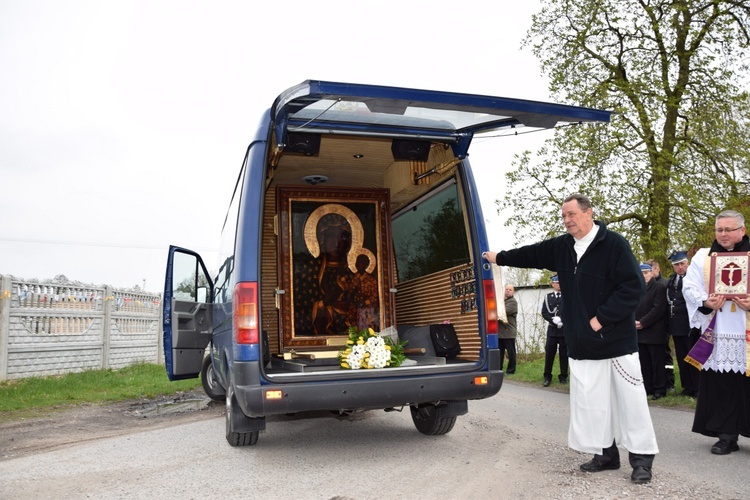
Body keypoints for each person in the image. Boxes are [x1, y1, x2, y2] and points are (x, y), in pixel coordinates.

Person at [482, 193, 658, 484]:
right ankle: (605, 454)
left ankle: (641, 460)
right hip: (582, 345)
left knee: (630, 401)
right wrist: (499, 256)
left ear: (589, 213)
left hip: (615, 342)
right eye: (563, 216)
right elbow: (532, 254)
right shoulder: (563, 247)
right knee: (593, 403)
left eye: (571, 215)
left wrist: (601, 318)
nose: (567, 221)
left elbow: (632, 287)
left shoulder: (613, 244)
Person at [682, 210, 750, 455]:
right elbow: (689, 287)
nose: (723, 234)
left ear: (741, 230)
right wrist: (705, 301)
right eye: (719, 230)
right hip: (718, 328)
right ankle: (726, 435)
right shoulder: (703, 257)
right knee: (723, 384)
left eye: (729, 230)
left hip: (746, 328)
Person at [666, 250, 699, 398]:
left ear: (688, 263)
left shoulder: (694, 279)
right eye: (676, 265)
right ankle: (687, 387)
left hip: (691, 325)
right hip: (677, 326)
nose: (680, 267)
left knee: (693, 357)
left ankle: (697, 388)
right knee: (682, 358)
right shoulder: (671, 280)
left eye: (682, 263)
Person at [635, 263, 668, 399]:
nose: (644, 276)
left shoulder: (659, 287)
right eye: (641, 273)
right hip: (639, 332)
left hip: (655, 332)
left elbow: (658, 309)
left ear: (652, 273)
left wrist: (643, 322)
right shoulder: (636, 289)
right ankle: (647, 387)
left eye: (646, 273)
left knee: (657, 362)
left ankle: (660, 389)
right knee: (644, 362)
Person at [647, 258, 675, 391]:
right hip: (649, 327)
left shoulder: (665, 283)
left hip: (662, 325)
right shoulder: (645, 285)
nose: (647, 273)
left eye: (650, 270)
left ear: (657, 269)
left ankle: (670, 382)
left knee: (665, 356)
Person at [541, 275, 568, 386]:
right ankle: (547, 376)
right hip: (552, 331)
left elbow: (571, 312)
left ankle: (563, 376)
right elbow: (544, 312)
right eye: (557, 283)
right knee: (549, 355)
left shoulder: (568, 296)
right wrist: (553, 320)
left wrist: (563, 321)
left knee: (564, 355)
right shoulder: (548, 297)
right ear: (553, 284)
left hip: (564, 331)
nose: (559, 285)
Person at [498, 284, 518, 374]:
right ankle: (499, 368)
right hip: (500, 332)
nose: (508, 291)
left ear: (513, 292)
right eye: (506, 289)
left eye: (510, 289)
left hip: (508, 331)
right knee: (499, 353)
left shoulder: (513, 302)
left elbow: (502, 312)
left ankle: (511, 370)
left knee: (511, 353)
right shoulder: (502, 301)